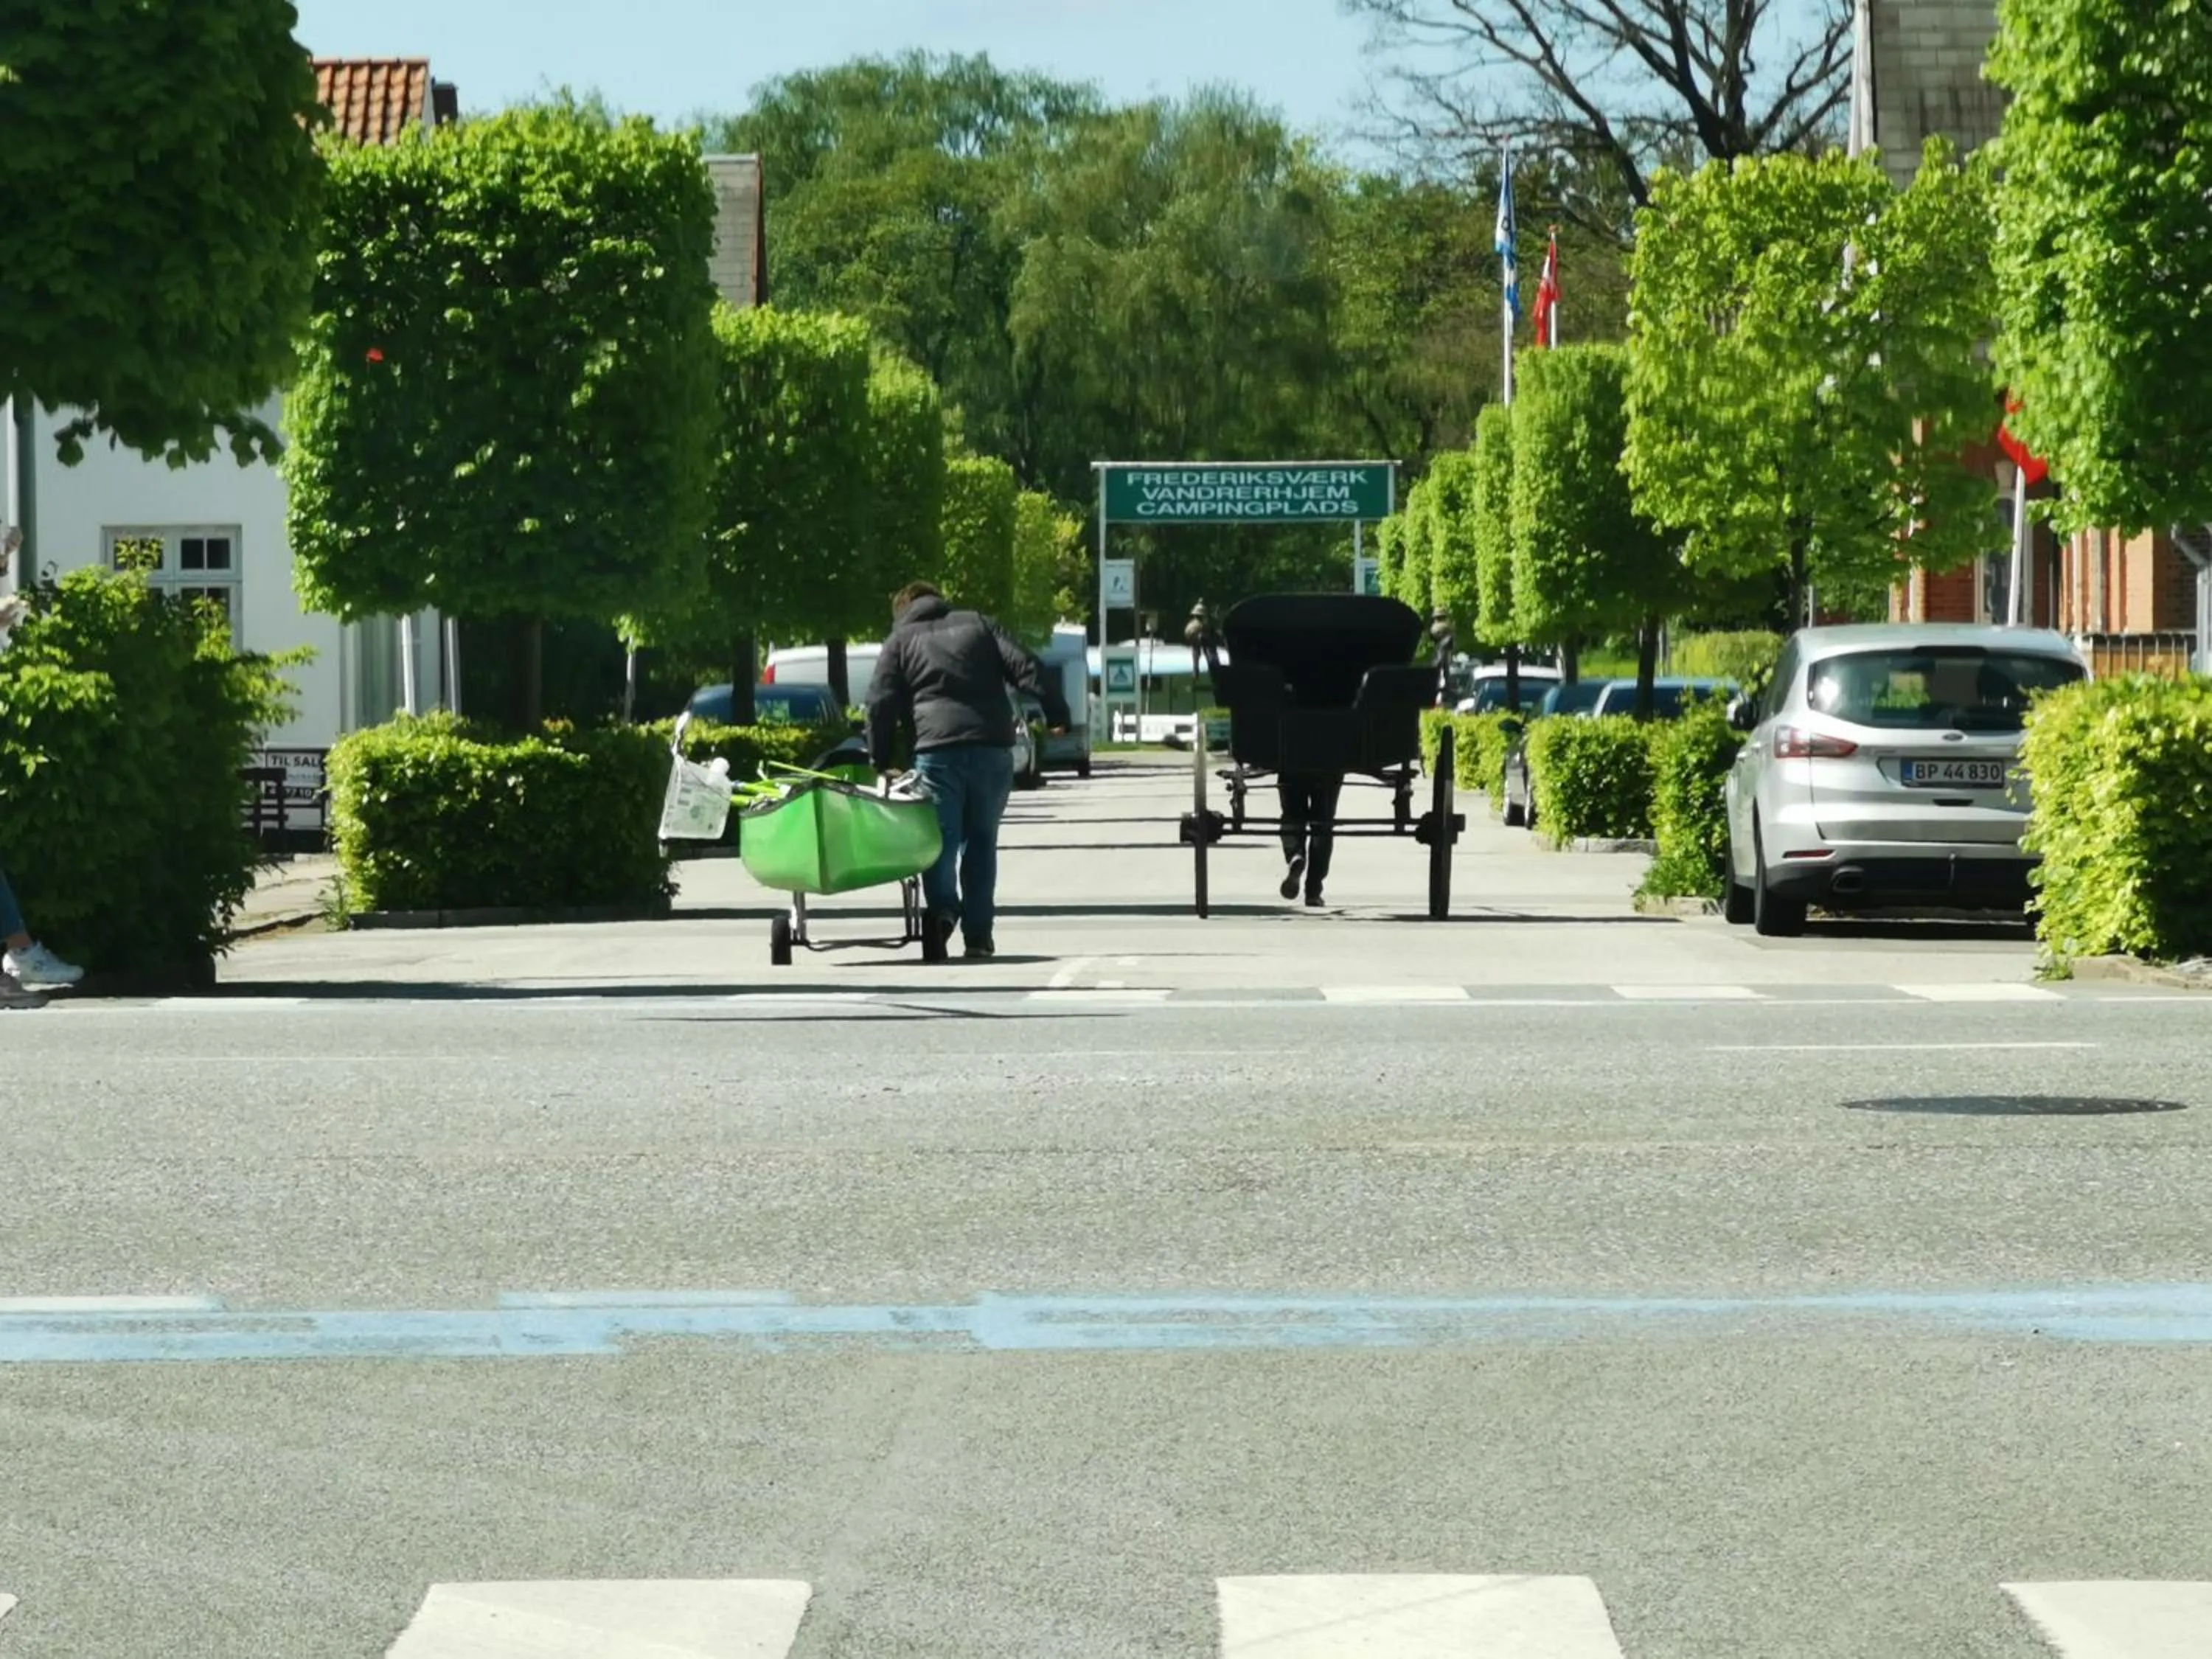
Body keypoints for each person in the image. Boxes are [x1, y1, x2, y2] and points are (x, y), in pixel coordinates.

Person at [866, 582, 1066, 959]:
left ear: (902, 609)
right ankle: (978, 936)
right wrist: (1056, 711)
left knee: (937, 839)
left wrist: (878, 758)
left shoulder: (901, 640)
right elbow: (1026, 665)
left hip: (937, 752)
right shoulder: (980, 625)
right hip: (992, 748)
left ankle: (942, 913)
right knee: (981, 839)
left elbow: (880, 702)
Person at [1277, 772, 1343, 908]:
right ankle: (1313, 891)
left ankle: (1295, 854)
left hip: (1290, 761)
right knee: (1322, 823)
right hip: (1328, 766)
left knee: (1292, 815)